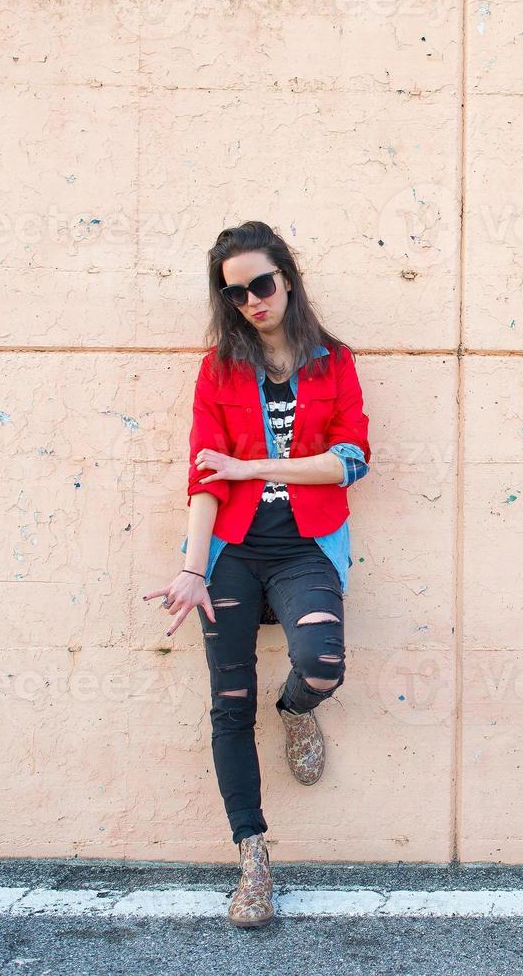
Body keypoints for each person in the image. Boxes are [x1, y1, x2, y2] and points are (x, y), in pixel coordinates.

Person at [142, 221, 371, 928]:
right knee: (228, 700)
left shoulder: (333, 362)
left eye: (261, 284)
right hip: (232, 553)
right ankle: (252, 858)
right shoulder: (219, 370)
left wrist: (256, 467)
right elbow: (205, 478)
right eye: (235, 292)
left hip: (306, 547)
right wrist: (191, 568)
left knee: (322, 663)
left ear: (288, 279)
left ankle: (297, 708)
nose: (251, 300)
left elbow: (351, 459)